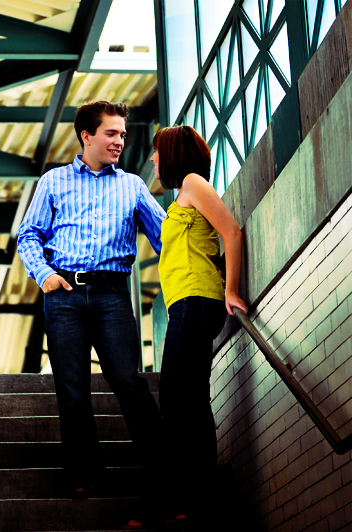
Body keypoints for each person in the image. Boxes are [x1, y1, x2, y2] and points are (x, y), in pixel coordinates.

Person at [17, 101, 166, 499]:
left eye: (122, 133)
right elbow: (28, 234)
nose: (120, 140)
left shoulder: (132, 185)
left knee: (128, 380)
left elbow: (166, 237)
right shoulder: (53, 181)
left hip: (112, 295)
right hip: (63, 294)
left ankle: (163, 474)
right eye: (111, 133)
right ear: (87, 136)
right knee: (72, 387)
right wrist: (45, 275)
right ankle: (85, 476)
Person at [150, 125, 247, 527]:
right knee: (189, 401)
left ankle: (187, 500)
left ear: (171, 153)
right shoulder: (180, 197)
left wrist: (232, 290)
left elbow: (231, 231)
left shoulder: (193, 183)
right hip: (185, 305)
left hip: (196, 300)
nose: (153, 159)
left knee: (176, 403)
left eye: (157, 152)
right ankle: (195, 500)